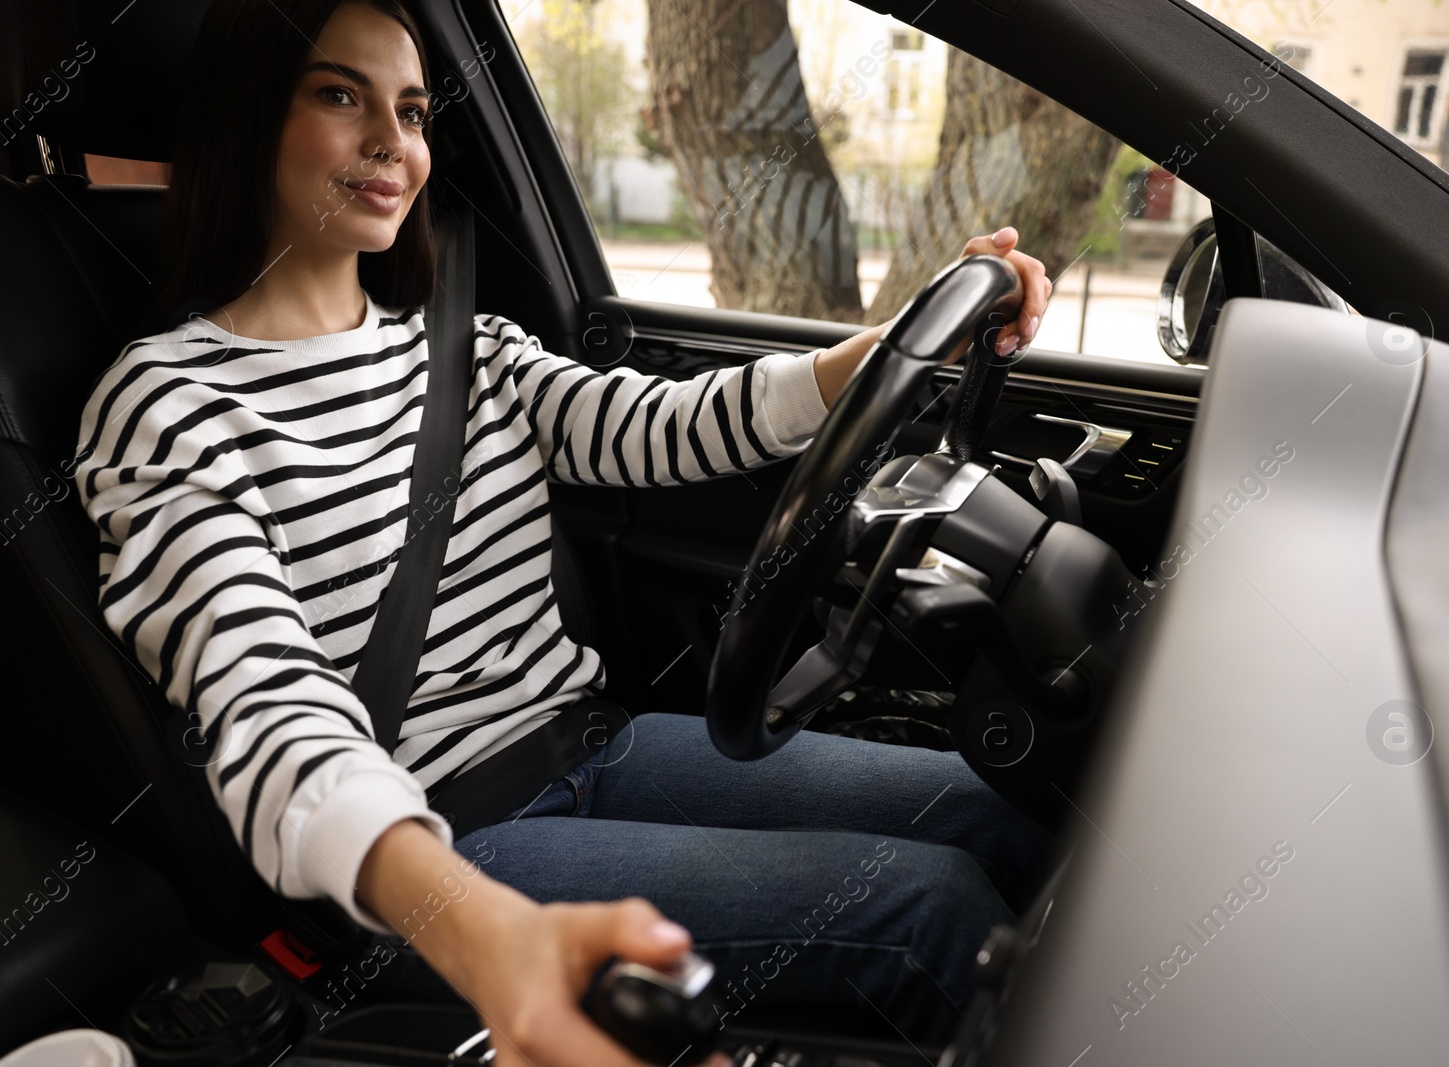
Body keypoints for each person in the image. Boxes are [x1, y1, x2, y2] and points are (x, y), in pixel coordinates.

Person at [73, 1, 1060, 1064]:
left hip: (601, 744)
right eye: (338, 95)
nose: (390, 143)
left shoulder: (467, 348)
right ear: (245, 118)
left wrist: (896, 345)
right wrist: (471, 920)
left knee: (994, 805)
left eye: (410, 111)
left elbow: (664, 426)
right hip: (441, 841)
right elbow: (264, 704)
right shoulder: (168, 404)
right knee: (925, 904)